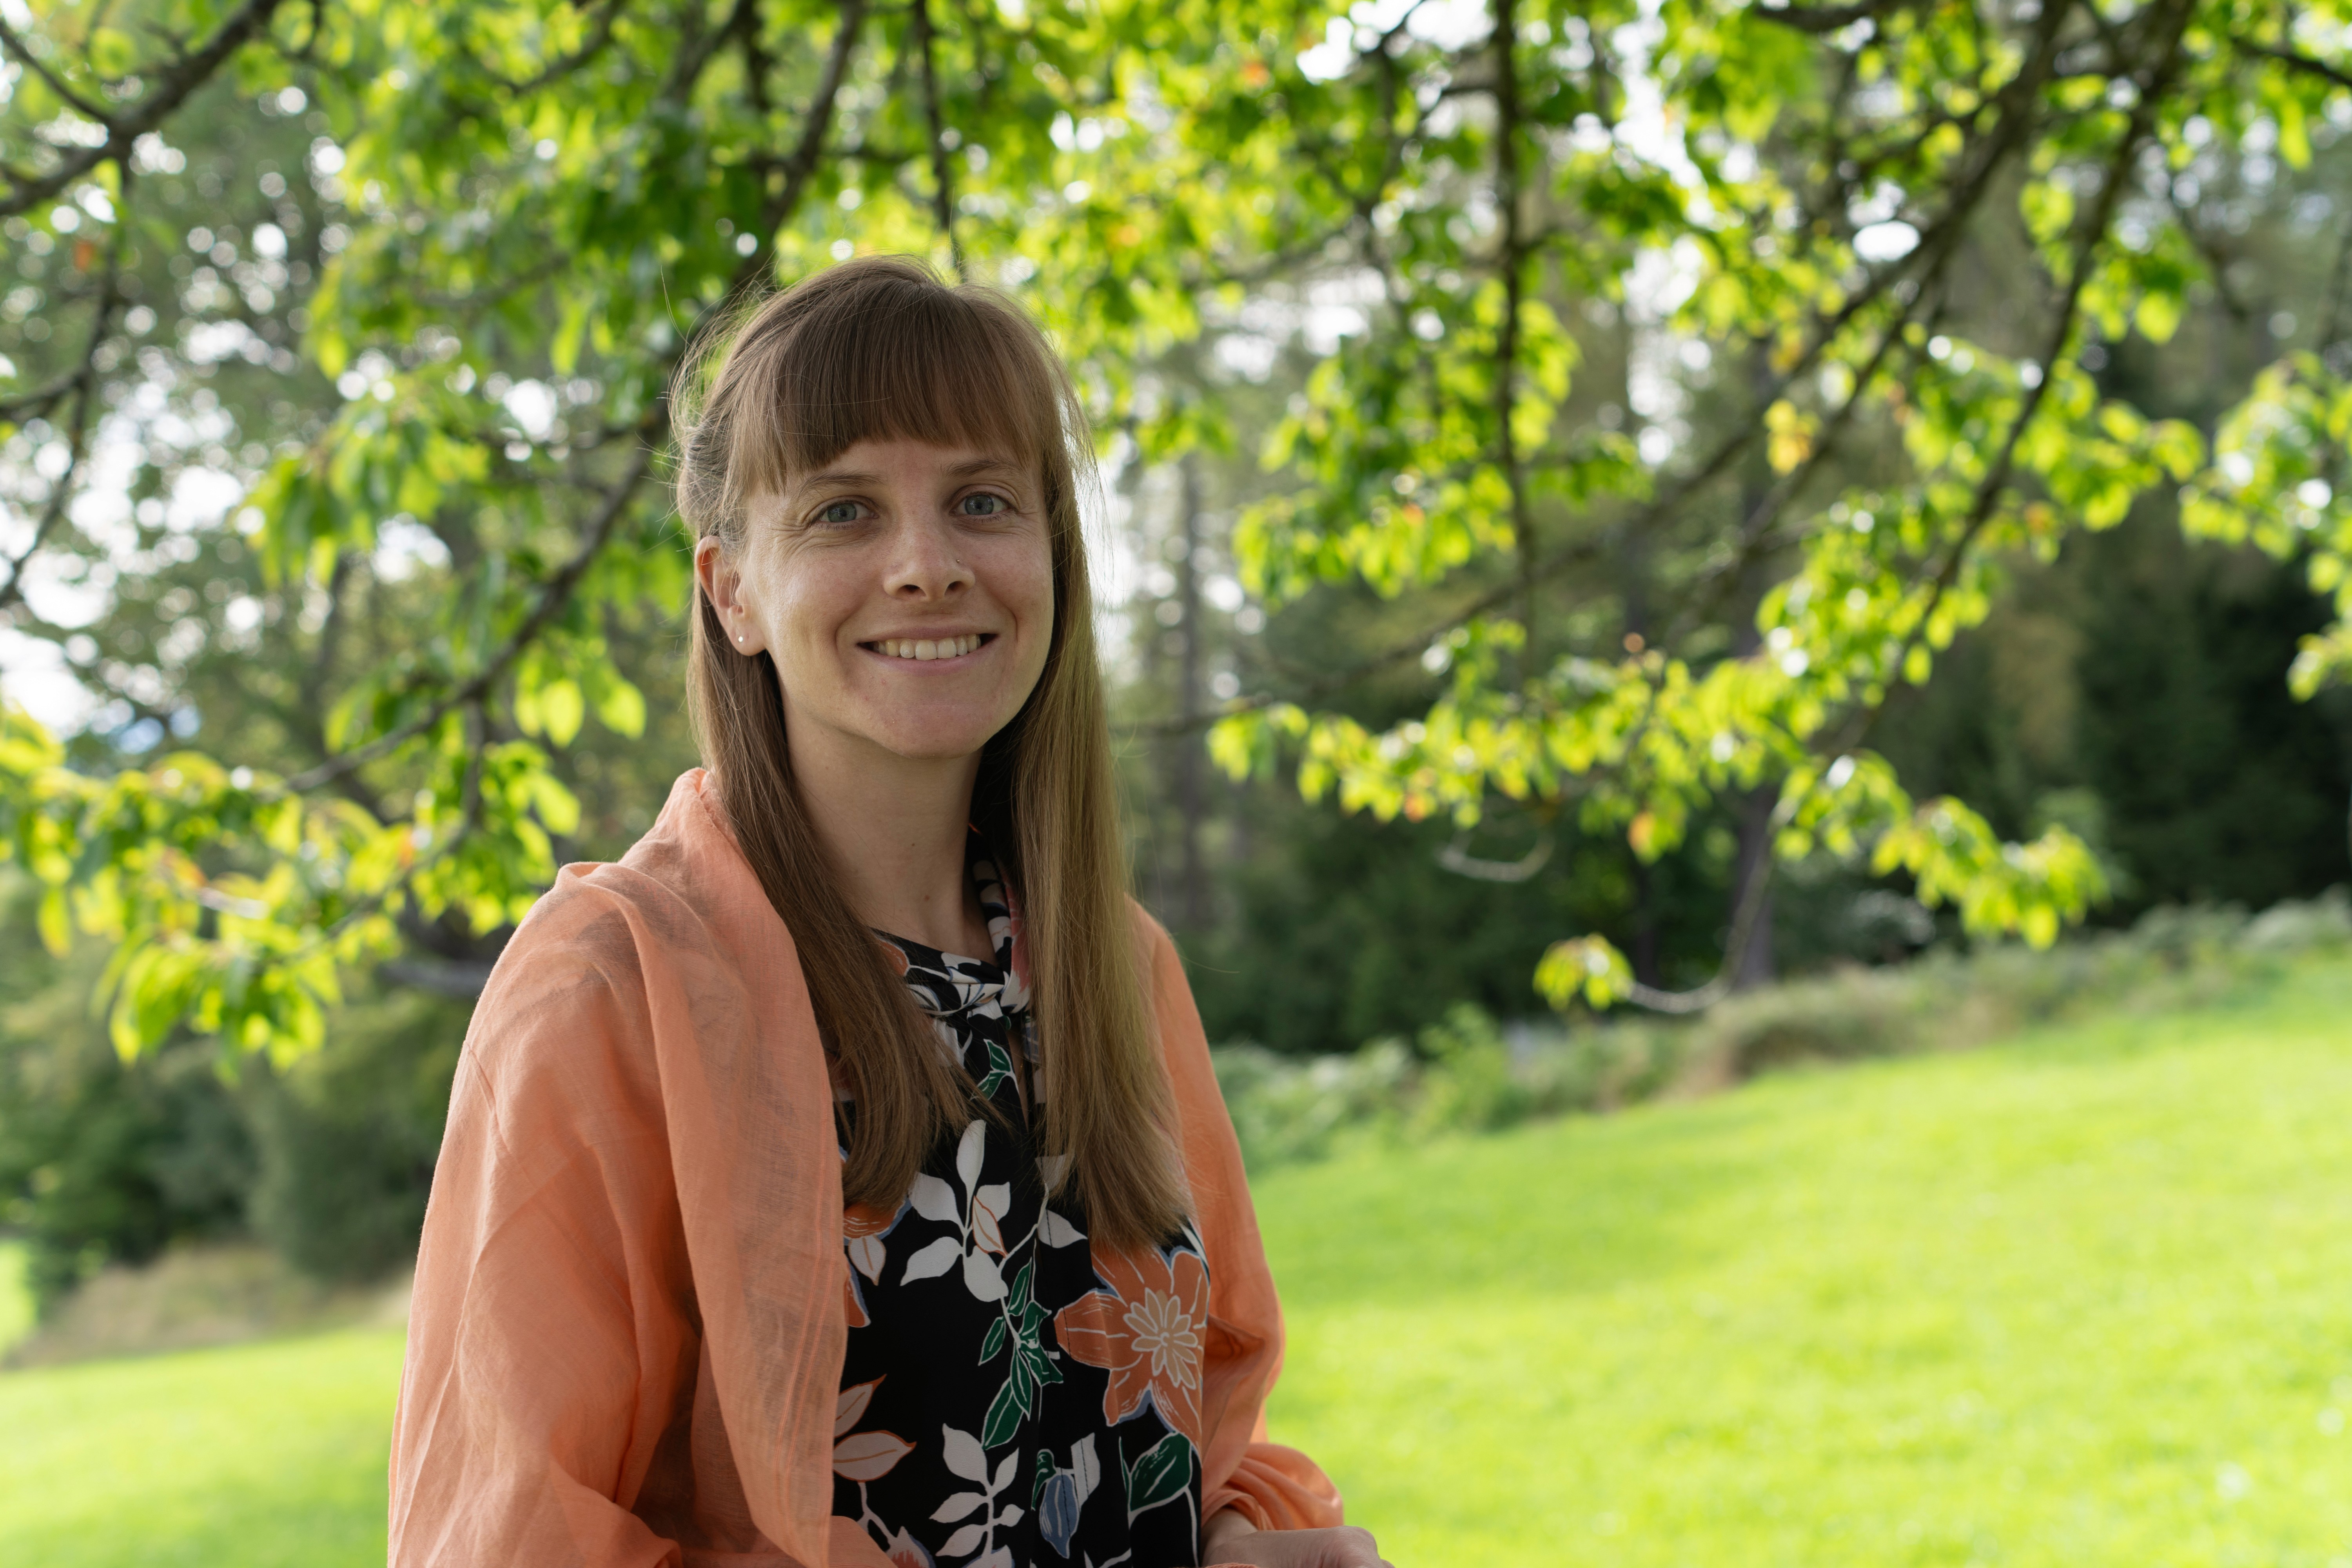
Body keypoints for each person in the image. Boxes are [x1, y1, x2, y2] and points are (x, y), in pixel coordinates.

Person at [388, 256, 1392, 1568]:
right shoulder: (611, 991)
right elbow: (510, 1539)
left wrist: (1236, 1540)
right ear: (731, 592)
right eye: (843, 513)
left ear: (1051, 556)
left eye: (981, 501)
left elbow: (1184, 1423)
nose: (927, 567)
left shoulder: (1114, 966)